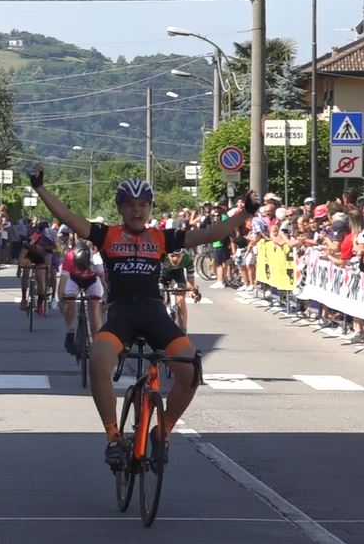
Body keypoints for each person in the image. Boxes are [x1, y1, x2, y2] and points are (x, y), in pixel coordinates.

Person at [30, 168, 257, 470]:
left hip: (154, 314)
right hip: (122, 314)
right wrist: (40, 188)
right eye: (130, 204)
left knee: (191, 367)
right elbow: (70, 217)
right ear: (121, 208)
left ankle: (162, 430)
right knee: (98, 359)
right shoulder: (106, 235)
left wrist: (246, 213)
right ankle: (113, 437)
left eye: (143, 205)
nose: (137, 210)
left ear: (150, 209)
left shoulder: (162, 237)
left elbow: (209, 234)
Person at [60, 242, 105, 355]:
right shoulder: (69, 258)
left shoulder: (96, 260)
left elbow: (105, 283)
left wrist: (107, 298)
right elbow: (62, 283)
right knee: (69, 302)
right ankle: (70, 332)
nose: (82, 271)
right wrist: (62, 301)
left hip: (92, 280)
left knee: (94, 308)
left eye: (84, 268)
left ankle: (97, 342)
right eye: (79, 268)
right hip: (74, 279)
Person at [18, 224, 57, 315]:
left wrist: (46, 268)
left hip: (41, 258)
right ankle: (24, 298)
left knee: (40, 277)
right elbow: (22, 256)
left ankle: (40, 304)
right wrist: (20, 267)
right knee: (26, 271)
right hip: (29, 256)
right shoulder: (32, 239)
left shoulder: (49, 241)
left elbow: (48, 259)